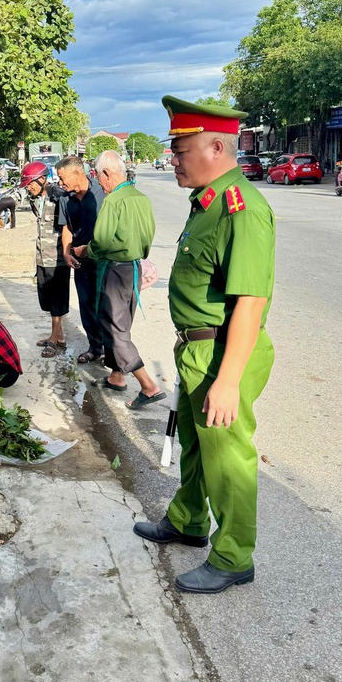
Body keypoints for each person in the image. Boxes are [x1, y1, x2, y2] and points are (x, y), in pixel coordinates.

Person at [132, 96, 276, 595]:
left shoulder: (242, 210)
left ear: (217, 147)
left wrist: (229, 380)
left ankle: (235, 556)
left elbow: (250, 303)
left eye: (181, 149)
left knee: (228, 456)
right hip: (196, 349)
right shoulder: (208, 203)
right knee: (194, 445)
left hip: (223, 353)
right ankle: (189, 520)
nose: (173, 158)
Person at [75, 151, 164, 408]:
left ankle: (148, 385)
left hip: (113, 270)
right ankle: (116, 376)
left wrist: (85, 250)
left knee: (115, 329)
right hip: (133, 268)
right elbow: (148, 238)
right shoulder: (141, 198)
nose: (99, 184)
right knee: (121, 324)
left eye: (98, 177)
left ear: (107, 173)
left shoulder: (113, 201)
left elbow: (101, 241)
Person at [56, 155, 105, 364]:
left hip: (103, 259)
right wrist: (67, 253)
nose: (60, 182)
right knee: (86, 305)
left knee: (105, 306)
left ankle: (112, 351)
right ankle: (95, 347)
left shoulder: (102, 191)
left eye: (62, 177)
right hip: (80, 261)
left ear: (77, 173)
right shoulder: (65, 199)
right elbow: (66, 227)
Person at [21, 161, 70, 358]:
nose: (28, 187)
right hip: (42, 256)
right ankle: (60, 336)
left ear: (42, 179)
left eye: (30, 183)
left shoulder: (59, 197)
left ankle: (53, 339)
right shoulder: (34, 199)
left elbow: (69, 226)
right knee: (47, 299)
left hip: (58, 258)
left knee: (57, 300)